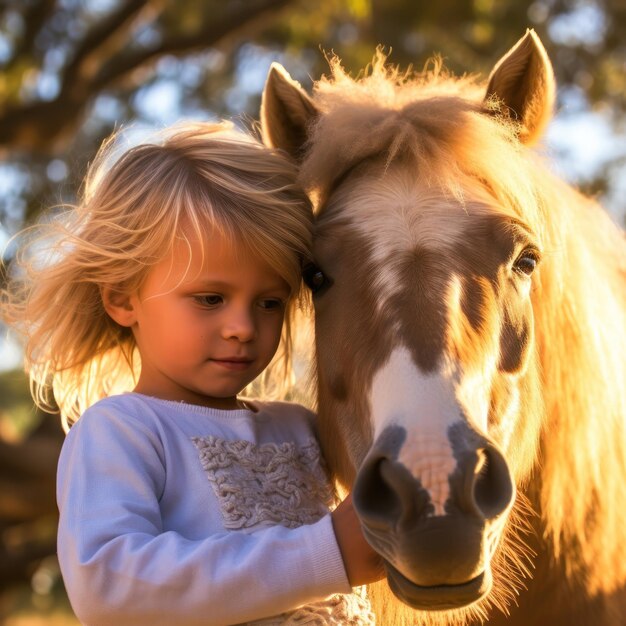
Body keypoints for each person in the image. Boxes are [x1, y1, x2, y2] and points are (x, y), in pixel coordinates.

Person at [1, 121, 383, 625]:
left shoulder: (303, 428)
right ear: (121, 296)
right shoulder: (123, 431)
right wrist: (324, 554)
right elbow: (110, 586)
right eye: (210, 299)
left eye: (270, 302)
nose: (243, 327)